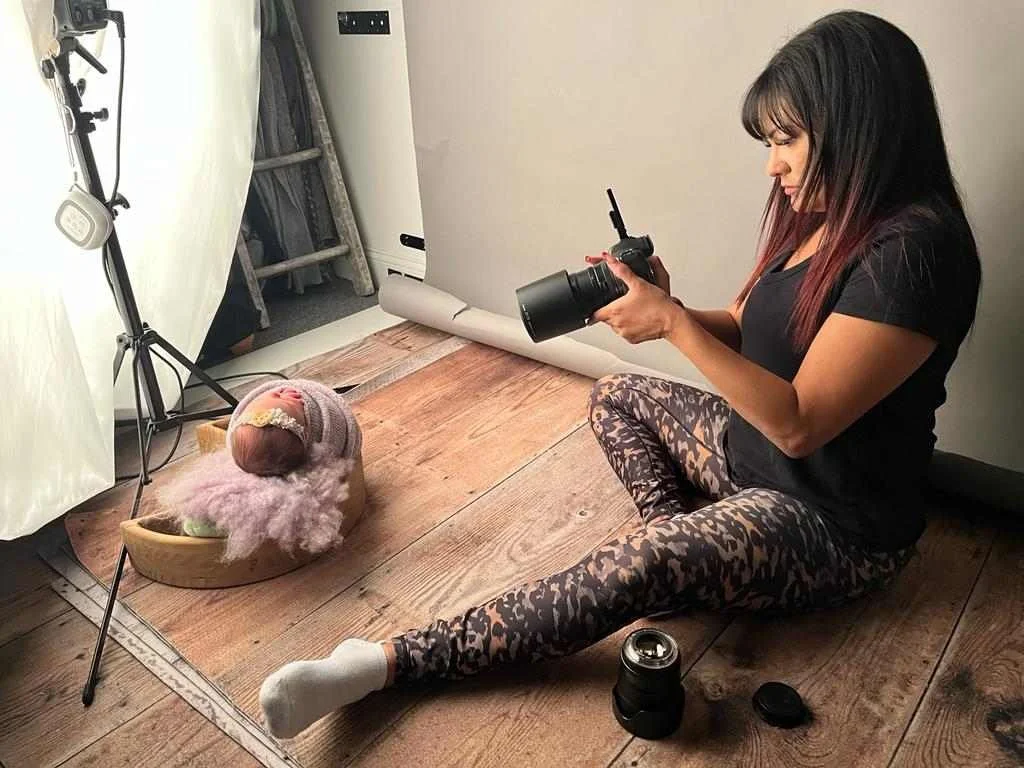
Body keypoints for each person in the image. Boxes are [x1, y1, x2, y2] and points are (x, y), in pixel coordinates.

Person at [258, 10, 981, 739]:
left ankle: (384, 661)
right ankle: (682, 550)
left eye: (786, 140)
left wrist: (669, 326)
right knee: (614, 395)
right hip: (748, 457)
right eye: (770, 142)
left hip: (833, 522)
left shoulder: (916, 256)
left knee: (644, 562)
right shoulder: (821, 214)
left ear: (863, 123)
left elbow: (799, 423)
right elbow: (743, 325)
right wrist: (663, 303)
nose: (773, 166)